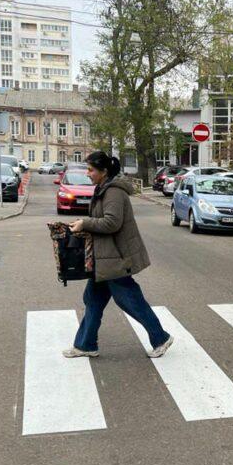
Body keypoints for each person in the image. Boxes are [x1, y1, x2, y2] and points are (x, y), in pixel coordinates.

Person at [62, 152, 173, 359]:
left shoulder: (113, 192)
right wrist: (84, 224)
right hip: (105, 258)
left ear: (103, 172)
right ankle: (86, 345)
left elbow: (112, 223)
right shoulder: (103, 189)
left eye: (91, 170)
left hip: (115, 259)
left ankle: (160, 338)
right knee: (92, 300)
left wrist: (85, 223)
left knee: (130, 300)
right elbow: (102, 219)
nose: (88, 174)